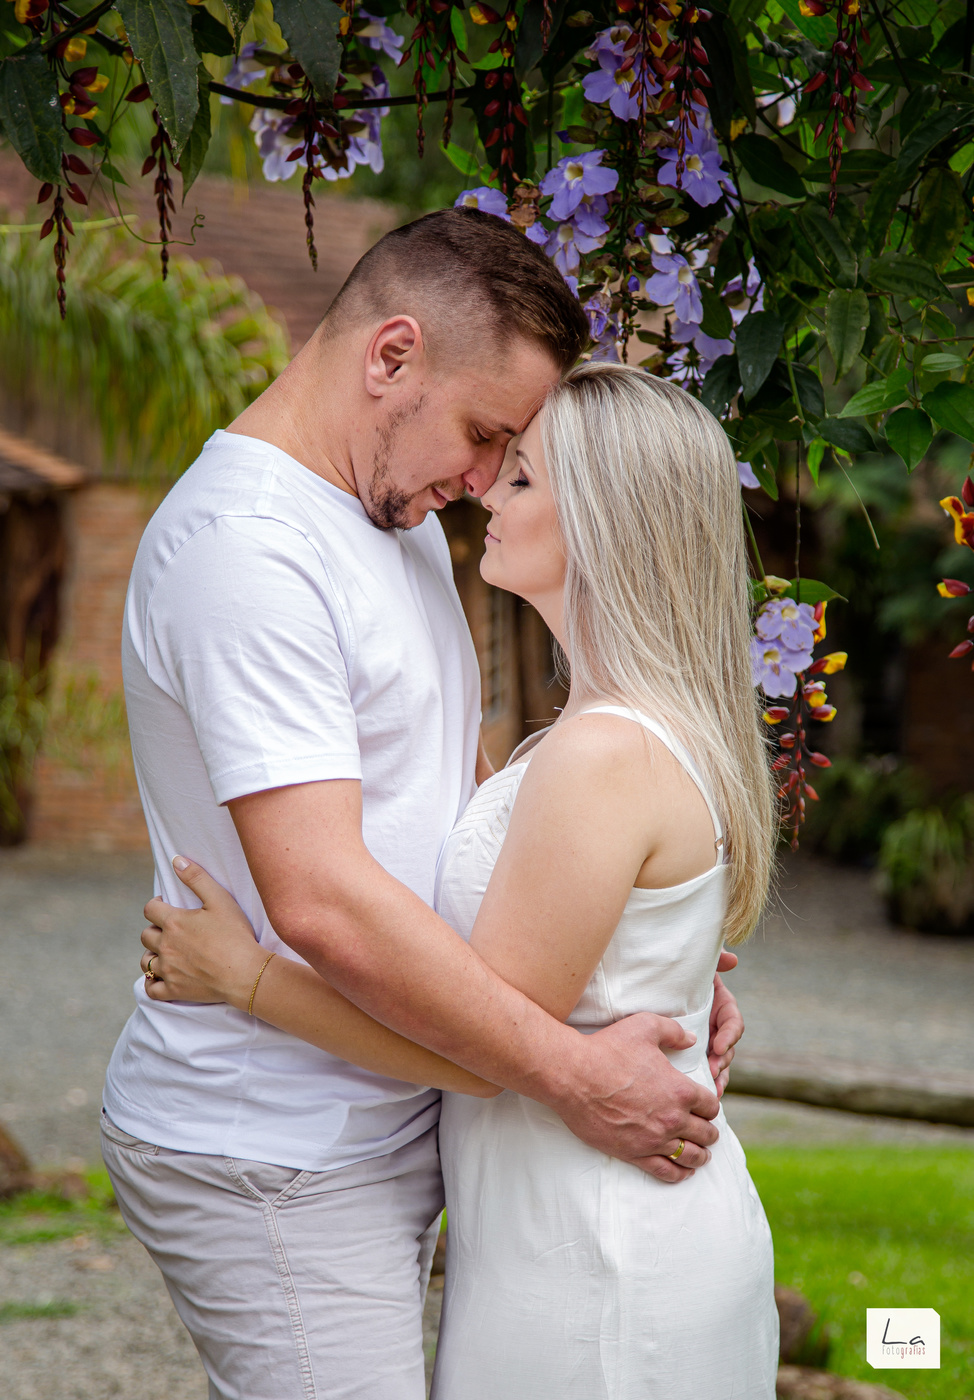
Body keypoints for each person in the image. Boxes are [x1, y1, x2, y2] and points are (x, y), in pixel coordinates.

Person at [102, 210, 746, 1400]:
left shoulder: (383, 512)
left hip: (397, 1108)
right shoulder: (248, 550)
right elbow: (322, 898)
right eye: (485, 433)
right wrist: (573, 1066)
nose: (482, 478)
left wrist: (629, 950)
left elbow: (461, 788)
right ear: (391, 356)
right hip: (279, 1138)